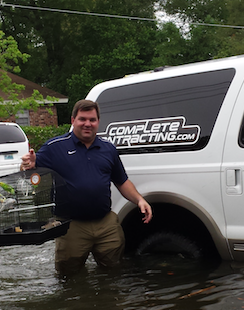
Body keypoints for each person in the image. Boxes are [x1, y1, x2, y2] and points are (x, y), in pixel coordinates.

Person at [20, 99, 152, 275]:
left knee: (114, 272)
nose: (87, 124)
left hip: (106, 223)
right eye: (82, 119)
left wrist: (140, 200)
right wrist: (27, 165)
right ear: (73, 120)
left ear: (98, 121)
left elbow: (122, 181)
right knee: (69, 278)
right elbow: (28, 172)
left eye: (92, 120)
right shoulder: (54, 148)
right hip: (71, 226)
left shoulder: (108, 149)